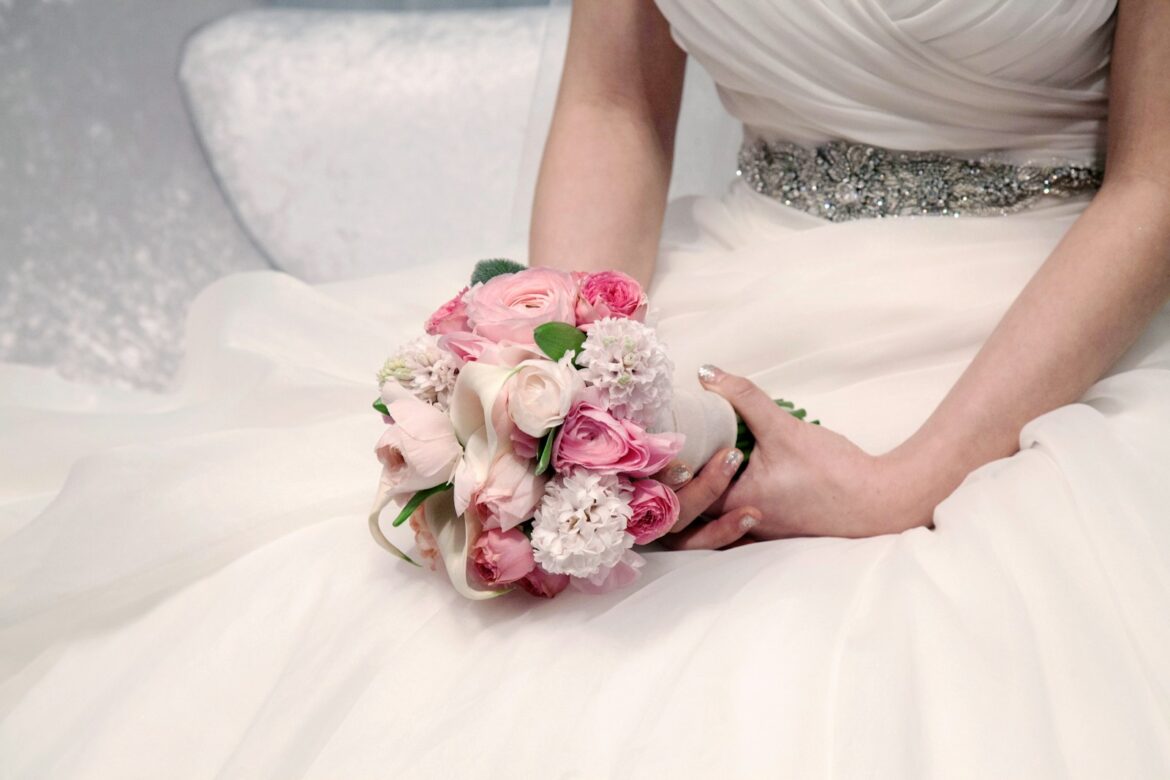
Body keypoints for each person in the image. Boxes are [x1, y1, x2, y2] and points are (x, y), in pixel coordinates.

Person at [2, 0, 1168, 776]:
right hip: (739, 290)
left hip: (1039, 328)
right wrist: (554, 385)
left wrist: (905, 480)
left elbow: (1155, 185)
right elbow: (615, 104)